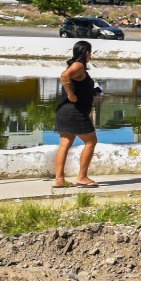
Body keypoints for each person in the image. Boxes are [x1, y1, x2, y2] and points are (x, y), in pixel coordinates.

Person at [54, 40, 101, 188]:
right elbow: (64, 76)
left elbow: (77, 84)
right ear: (87, 53)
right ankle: (82, 177)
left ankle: (59, 180)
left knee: (65, 144)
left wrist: (93, 93)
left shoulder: (78, 67)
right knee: (91, 141)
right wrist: (70, 94)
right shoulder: (78, 65)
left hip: (66, 111)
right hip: (74, 111)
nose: (90, 55)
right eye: (90, 52)